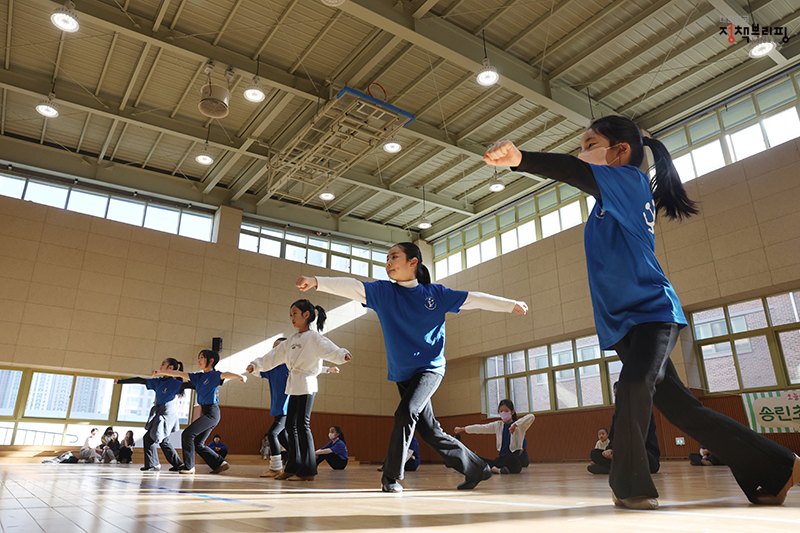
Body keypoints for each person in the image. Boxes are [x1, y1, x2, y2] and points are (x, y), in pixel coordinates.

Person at [484, 115, 800, 509]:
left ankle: (631, 485)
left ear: (621, 151)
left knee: (632, 387)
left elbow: (571, 170)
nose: (582, 152)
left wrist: (521, 158)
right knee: (686, 412)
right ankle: (777, 466)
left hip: (652, 313)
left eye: (589, 143)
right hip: (624, 325)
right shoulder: (605, 204)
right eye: (581, 146)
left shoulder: (629, 182)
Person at [296, 242, 528, 492]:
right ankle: (476, 468)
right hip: (403, 374)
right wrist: (317, 280)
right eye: (386, 259)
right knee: (429, 431)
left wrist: (509, 304)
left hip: (430, 369)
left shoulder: (435, 295)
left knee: (405, 413)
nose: (388, 263)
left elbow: (474, 299)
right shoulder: (384, 293)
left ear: (413, 262)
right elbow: (352, 286)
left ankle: (391, 477)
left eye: (394, 257)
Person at [246, 300, 351, 482]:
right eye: (291, 314)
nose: (292, 318)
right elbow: (273, 356)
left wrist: (342, 355)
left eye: (295, 313)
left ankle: (308, 469)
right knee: (289, 426)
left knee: (302, 426)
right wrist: (256, 365)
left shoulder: (314, 337)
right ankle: (293, 466)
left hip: (308, 384)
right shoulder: (291, 340)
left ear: (306, 315)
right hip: (293, 385)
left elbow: (329, 348)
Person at [154, 350, 246, 475]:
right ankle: (219, 463)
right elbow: (179, 373)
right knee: (198, 443)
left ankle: (189, 467)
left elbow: (225, 374)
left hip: (212, 412)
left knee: (187, 434)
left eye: (202, 357)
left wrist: (240, 376)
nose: (199, 360)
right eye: (198, 357)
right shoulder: (198, 377)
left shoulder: (214, 375)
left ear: (211, 360)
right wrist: (161, 372)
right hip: (206, 412)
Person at [115, 358, 191, 472]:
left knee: (149, 438)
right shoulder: (158, 382)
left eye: (163, 364)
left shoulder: (175, 383)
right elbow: (140, 380)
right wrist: (120, 381)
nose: (160, 366)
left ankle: (153, 464)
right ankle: (177, 464)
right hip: (160, 412)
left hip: (167, 414)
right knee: (163, 440)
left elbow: (192, 385)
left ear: (170, 368)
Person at [455, 399, 534, 475]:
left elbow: (531, 416)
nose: (503, 413)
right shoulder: (498, 425)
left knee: (514, 461)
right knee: (479, 459)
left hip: (512, 459)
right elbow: (481, 428)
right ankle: (496, 469)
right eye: (501, 411)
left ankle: (495, 469)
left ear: (512, 412)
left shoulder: (519, 426)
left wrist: (515, 425)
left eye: (506, 411)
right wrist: (463, 429)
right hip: (501, 459)